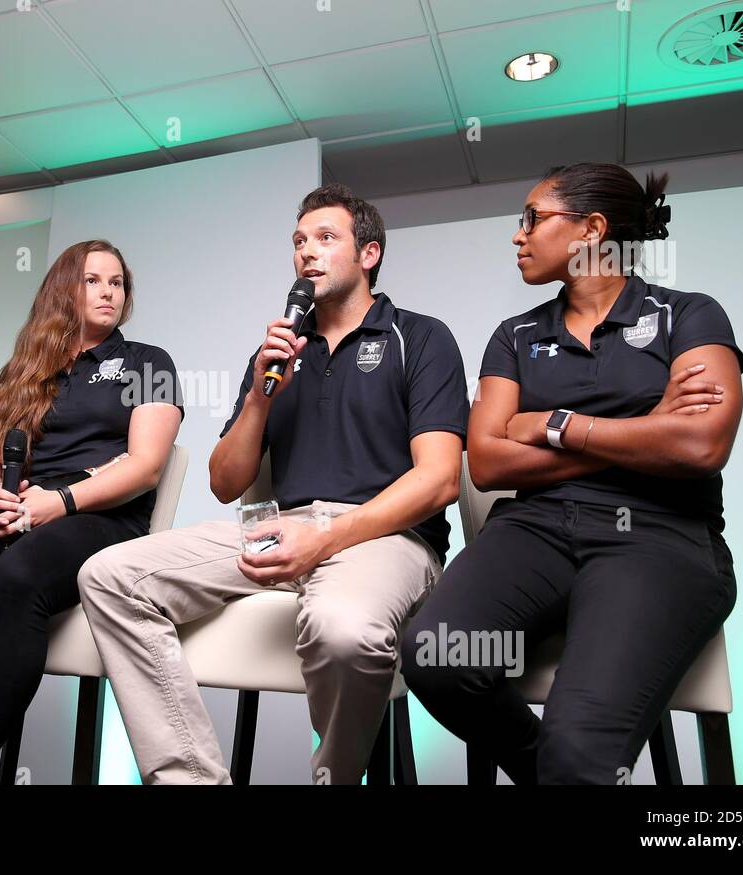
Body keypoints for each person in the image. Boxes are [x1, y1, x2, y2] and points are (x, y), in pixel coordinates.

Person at [78, 183, 470, 784]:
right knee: (108, 577)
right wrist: (262, 398)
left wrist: (328, 538)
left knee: (345, 631)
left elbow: (440, 478)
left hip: (385, 535)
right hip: (279, 527)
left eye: (325, 238)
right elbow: (224, 482)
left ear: (370, 254)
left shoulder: (419, 337)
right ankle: (192, 779)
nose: (306, 253)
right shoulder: (278, 353)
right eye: (298, 242)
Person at [400, 162, 743, 784]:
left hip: (660, 535)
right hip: (533, 529)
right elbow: (487, 461)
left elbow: (698, 446)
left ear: (591, 229)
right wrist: (644, 429)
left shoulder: (688, 315)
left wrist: (554, 424)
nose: (518, 235)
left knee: (578, 746)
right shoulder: (516, 335)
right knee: (433, 654)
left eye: (532, 218)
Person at [0, 240, 182, 785]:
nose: (108, 292)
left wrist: (63, 501)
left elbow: (146, 467)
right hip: (23, 506)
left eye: (117, 282)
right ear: (62, 291)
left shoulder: (150, 362)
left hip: (102, 516)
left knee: (19, 573)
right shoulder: (23, 370)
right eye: (93, 280)